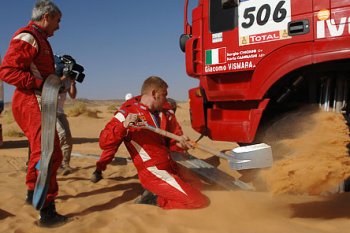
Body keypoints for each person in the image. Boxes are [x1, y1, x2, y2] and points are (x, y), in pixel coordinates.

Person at [91, 76, 209, 209]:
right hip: (153, 171)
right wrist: (123, 125)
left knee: (201, 187)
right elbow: (104, 142)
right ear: (154, 94)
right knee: (198, 201)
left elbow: (173, 137)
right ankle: (156, 199)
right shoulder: (127, 111)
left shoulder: (164, 111)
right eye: (164, 95)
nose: (166, 99)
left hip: (170, 163)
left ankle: (165, 193)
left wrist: (179, 143)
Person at [0, 0, 68, 227]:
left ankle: (33, 194)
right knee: (49, 154)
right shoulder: (28, 36)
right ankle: (47, 213)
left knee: (41, 152)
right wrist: (41, 84)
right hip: (31, 101)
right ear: (47, 16)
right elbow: (7, 71)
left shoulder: (41, 40)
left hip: (37, 100)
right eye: (57, 21)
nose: (59, 27)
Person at [54, 55, 78, 175]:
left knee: (67, 138)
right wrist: (64, 76)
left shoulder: (67, 80)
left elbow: (73, 96)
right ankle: (54, 164)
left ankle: (65, 164)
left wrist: (72, 83)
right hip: (49, 112)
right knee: (61, 135)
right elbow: (53, 87)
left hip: (60, 112)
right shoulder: (52, 77)